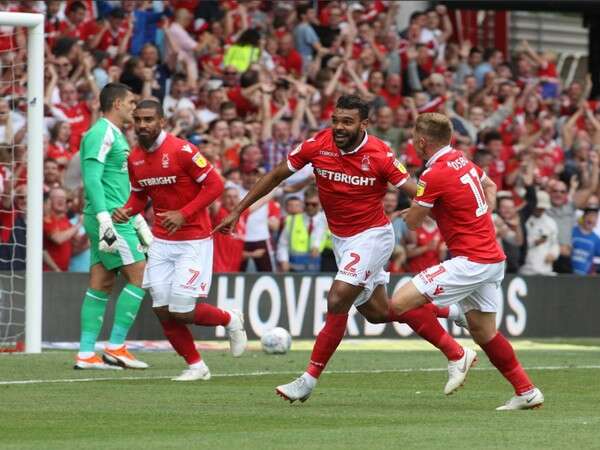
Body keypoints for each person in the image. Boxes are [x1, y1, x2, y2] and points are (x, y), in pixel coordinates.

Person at [215, 95, 470, 403]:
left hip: (373, 236)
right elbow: (276, 175)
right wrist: (238, 210)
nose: (338, 127)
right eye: (335, 120)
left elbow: (417, 191)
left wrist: (449, 215)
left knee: (337, 299)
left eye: (347, 122)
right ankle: (455, 339)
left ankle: (308, 380)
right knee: (378, 312)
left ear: (364, 124)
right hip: (342, 240)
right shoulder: (317, 144)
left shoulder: (380, 154)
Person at [389, 112, 544, 410]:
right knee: (485, 332)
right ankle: (526, 391)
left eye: (414, 137)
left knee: (399, 304)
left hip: (471, 261)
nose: (412, 142)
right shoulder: (461, 159)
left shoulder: (433, 174)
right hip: (490, 258)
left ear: (422, 142)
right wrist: (482, 213)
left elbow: (414, 224)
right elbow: (491, 186)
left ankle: (456, 353)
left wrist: (411, 211)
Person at [112, 99, 247, 381]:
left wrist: (184, 214)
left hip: (194, 240)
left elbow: (215, 185)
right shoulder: (134, 158)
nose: (142, 125)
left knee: (183, 311)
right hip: (161, 242)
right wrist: (127, 210)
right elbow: (139, 196)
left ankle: (230, 319)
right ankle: (196, 366)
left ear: (162, 121)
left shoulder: (182, 150)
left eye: (149, 119)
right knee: (162, 310)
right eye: (138, 120)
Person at [75, 83, 150, 370]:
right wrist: (104, 218)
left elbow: (116, 183)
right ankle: (116, 347)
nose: (135, 108)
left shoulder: (116, 135)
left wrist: (137, 217)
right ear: (117, 103)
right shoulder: (101, 133)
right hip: (110, 219)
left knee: (102, 282)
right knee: (140, 274)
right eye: (131, 102)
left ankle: (85, 354)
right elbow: (92, 178)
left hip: (118, 216)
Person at [520, 190, 559, 276]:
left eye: (542, 208)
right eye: (538, 207)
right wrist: (534, 242)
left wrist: (553, 254)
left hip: (546, 269)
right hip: (527, 269)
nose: (540, 210)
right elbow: (520, 243)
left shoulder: (551, 222)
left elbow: (555, 243)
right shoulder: (525, 220)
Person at [571, 207, 600, 275]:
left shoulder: (596, 239)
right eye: (589, 215)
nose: (591, 218)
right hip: (567, 274)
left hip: (584, 277)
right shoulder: (572, 231)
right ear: (583, 217)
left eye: (595, 217)